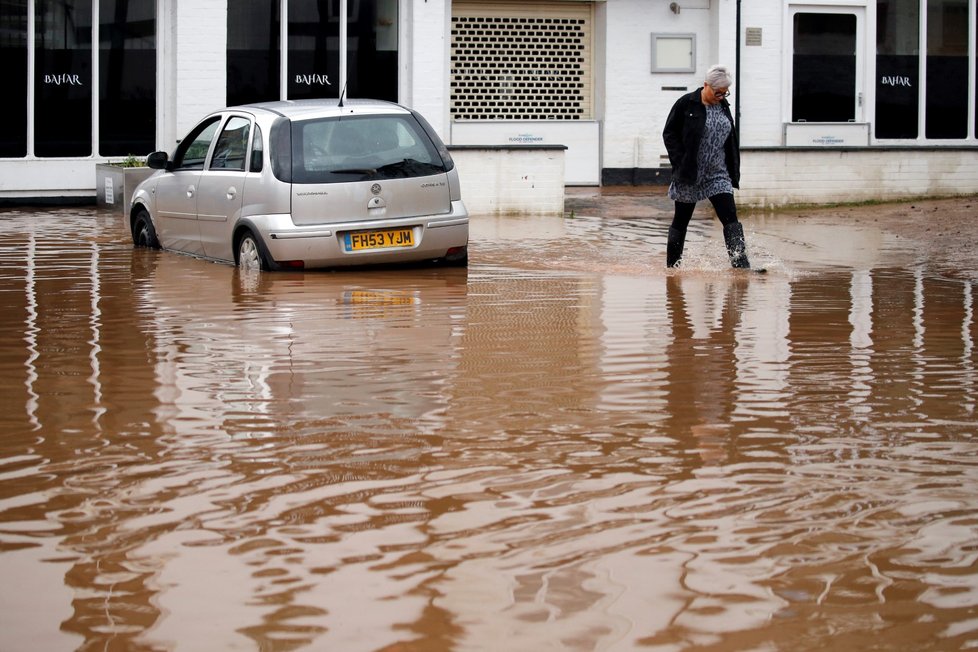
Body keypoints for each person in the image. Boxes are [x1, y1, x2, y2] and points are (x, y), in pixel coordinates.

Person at [662, 64, 751, 269]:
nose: (721, 96)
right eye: (718, 92)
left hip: (717, 173)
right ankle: (673, 268)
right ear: (705, 85)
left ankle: (741, 265)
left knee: (730, 217)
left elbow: (729, 138)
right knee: (681, 220)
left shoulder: (723, 105)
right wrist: (680, 161)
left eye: (725, 92)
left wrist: (731, 169)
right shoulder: (686, 104)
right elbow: (669, 133)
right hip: (690, 173)